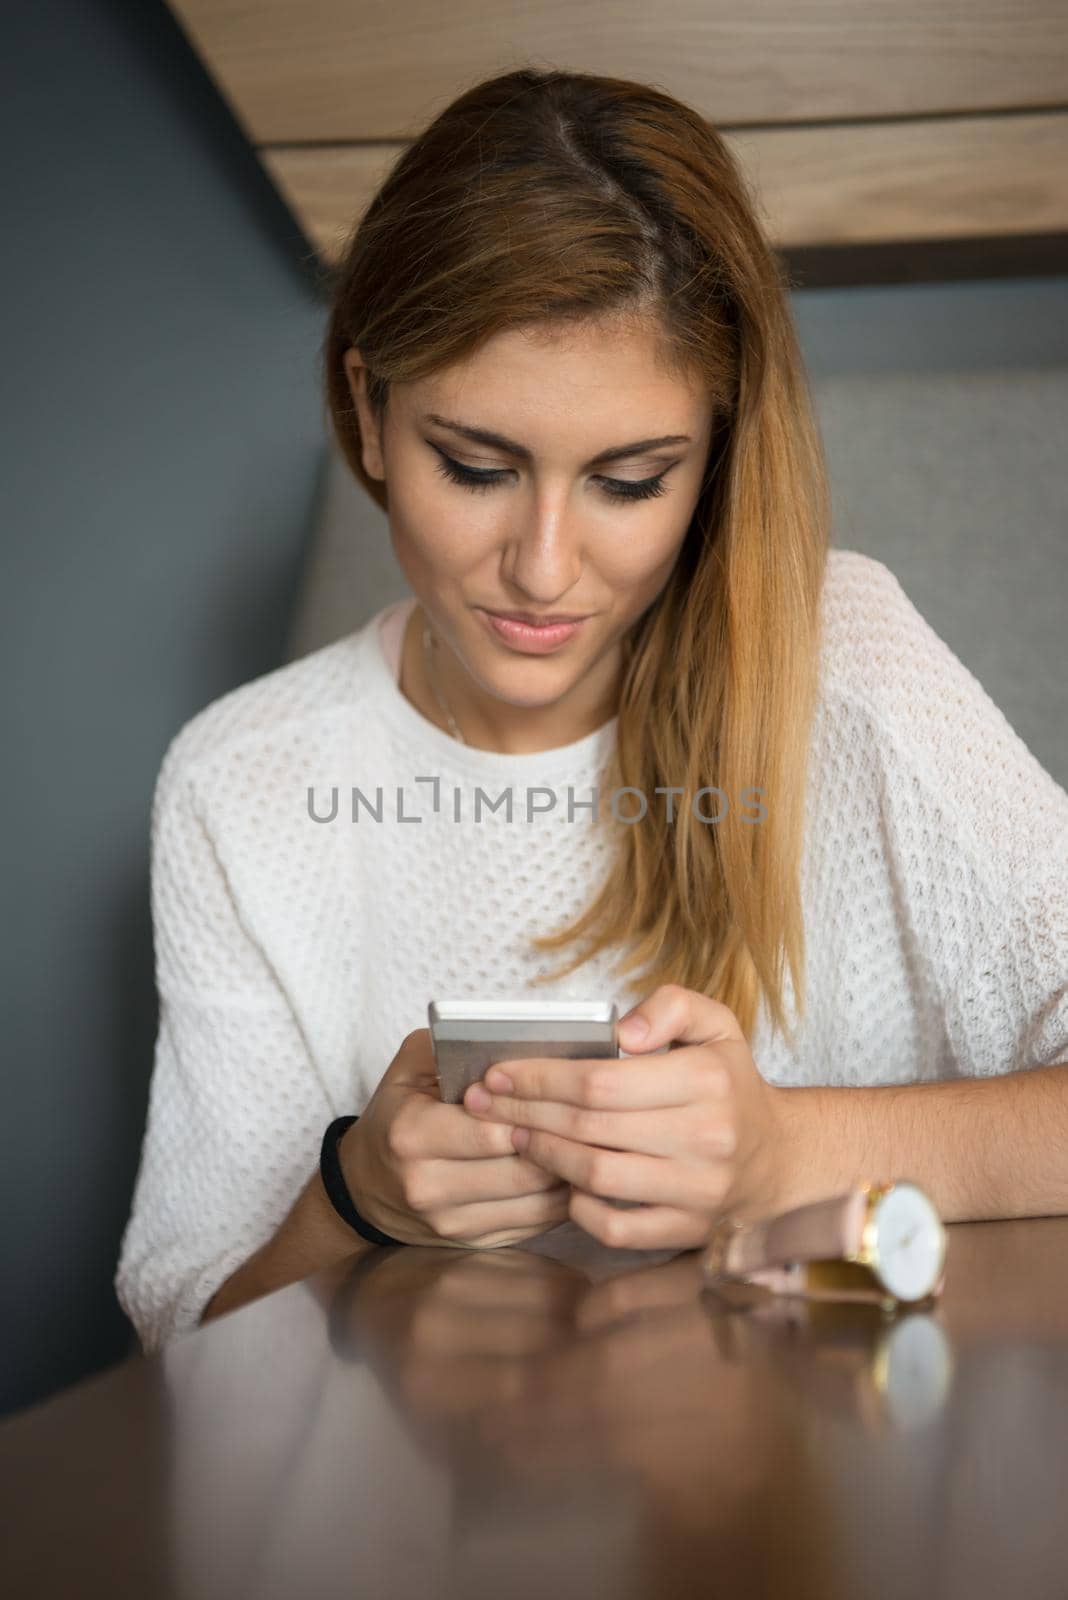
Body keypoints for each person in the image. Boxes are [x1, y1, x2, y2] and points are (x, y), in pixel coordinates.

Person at [115, 67, 1068, 1355]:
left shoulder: (846, 664)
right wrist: (358, 1198)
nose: (545, 569)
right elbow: (185, 1329)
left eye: (629, 481)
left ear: (713, 460)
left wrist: (787, 1149)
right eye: (476, 467)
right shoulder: (240, 785)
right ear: (366, 411)